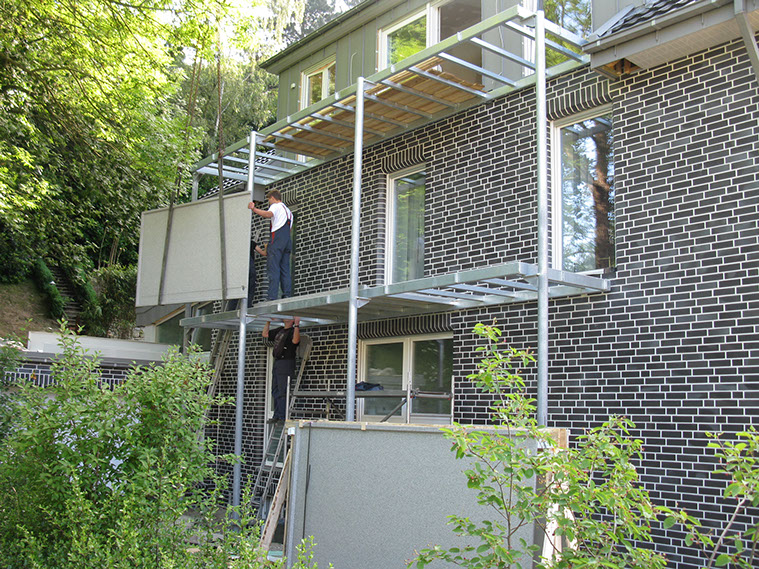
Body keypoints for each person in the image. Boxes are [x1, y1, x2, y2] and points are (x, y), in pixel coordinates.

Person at [249, 190, 293, 300]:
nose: (269, 202)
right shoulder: (289, 212)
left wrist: (254, 209)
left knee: (273, 267)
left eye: (269, 200)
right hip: (287, 241)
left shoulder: (276, 206)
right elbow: (289, 229)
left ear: (272, 198)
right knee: (285, 268)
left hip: (277, 239)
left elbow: (268, 214)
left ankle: (272, 296)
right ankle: (287, 294)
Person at [263, 317, 300, 422]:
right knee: (275, 388)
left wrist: (297, 325)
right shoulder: (280, 330)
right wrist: (268, 321)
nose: (286, 318)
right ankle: (277, 414)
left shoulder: (292, 331)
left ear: (292, 320)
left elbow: (295, 341)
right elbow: (265, 334)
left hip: (286, 362)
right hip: (278, 361)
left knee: (283, 389)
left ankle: (283, 416)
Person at [247, 240, 266, 307]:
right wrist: (266, 246)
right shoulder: (251, 242)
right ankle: (248, 305)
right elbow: (264, 253)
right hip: (250, 268)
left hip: (241, 268)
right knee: (251, 286)